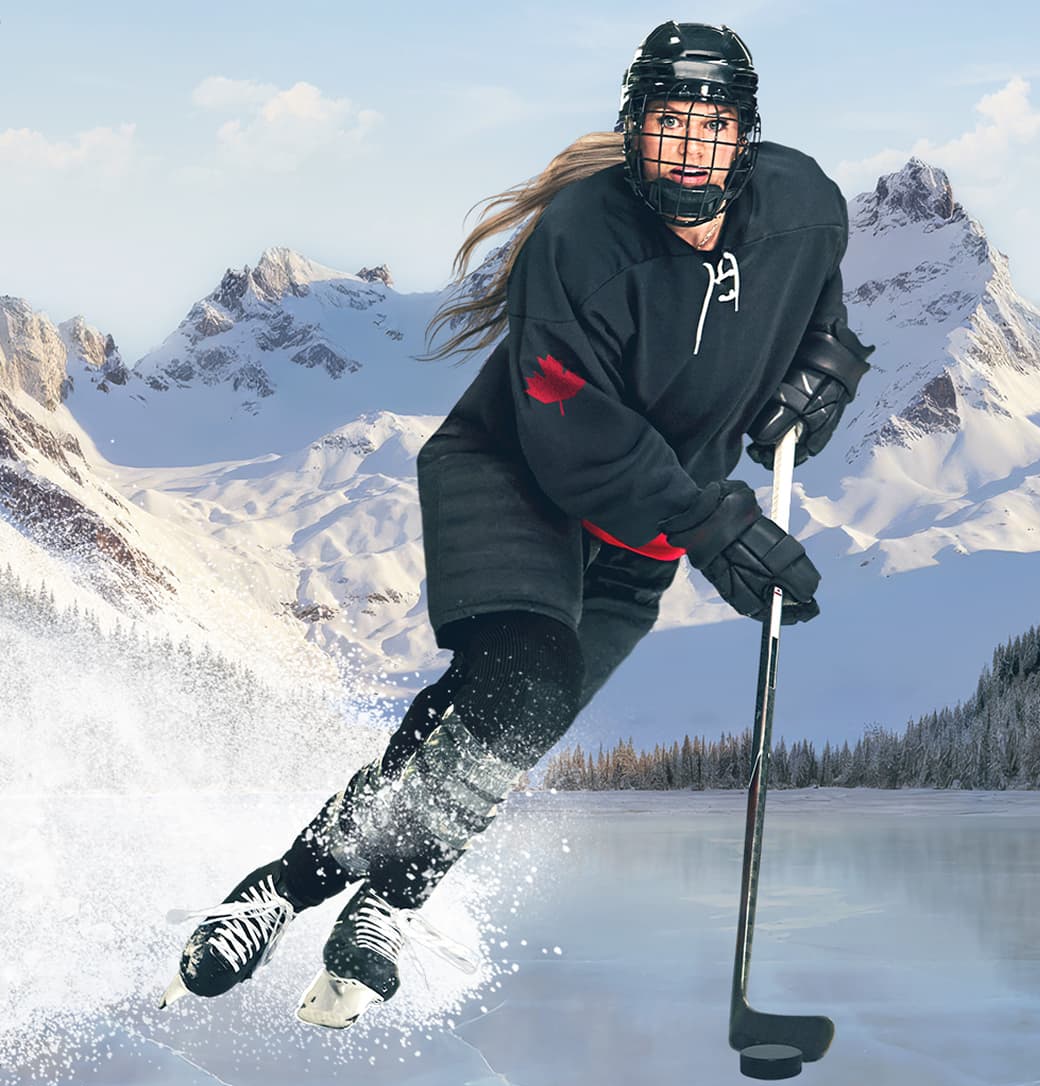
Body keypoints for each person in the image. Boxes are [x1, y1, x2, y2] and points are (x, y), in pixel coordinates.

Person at [160, 20, 872, 1028]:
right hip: (516, 477)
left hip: (645, 534)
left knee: (499, 730)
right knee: (522, 673)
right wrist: (715, 526)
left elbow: (822, 319)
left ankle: (373, 898)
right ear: (633, 135)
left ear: (743, 141)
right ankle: (286, 890)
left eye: (709, 129)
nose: (686, 150)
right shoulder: (581, 237)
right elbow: (571, 424)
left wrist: (824, 375)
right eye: (667, 125)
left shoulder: (803, 209)